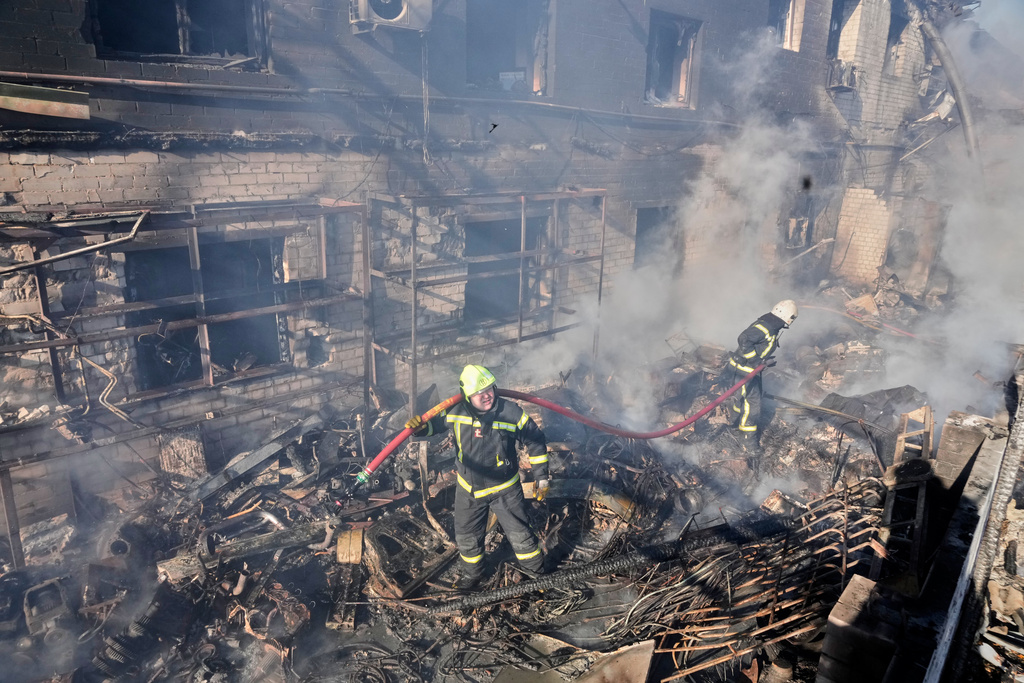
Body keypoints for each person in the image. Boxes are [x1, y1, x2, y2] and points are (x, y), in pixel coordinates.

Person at [405, 364, 550, 589]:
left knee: (522, 536)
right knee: (467, 538)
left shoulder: (510, 413)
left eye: (490, 389)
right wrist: (418, 428)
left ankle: (537, 578)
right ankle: (473, 576)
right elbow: (433, 426)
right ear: (466, 395)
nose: (487, 396)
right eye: (479, 393)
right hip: (468, 490)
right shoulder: (455, 411)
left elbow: (535, 440)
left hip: (505, 489)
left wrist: (541, 478)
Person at [723, 300, 798, 449]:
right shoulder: (767, 326)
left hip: (746, 370)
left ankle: (736, 423)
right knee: (753, 405)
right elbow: (744, 339)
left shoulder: (771, 325)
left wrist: (764, 361)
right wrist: (756, 361)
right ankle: (748, 441)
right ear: (787, 316)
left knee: (743, 401)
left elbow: (758, 345)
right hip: (743, 371)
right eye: (792, 318)